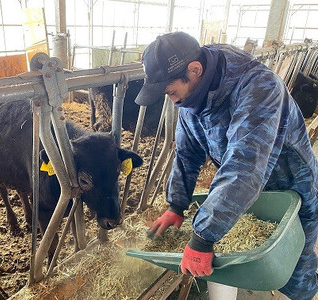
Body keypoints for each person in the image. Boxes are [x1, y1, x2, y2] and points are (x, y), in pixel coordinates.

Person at [135, 31, 318, 300]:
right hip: (241, 191)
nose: (172, 100)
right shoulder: (192, 96)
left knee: (293, 264)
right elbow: (186, 153)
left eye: (172, 91)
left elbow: (245, 164)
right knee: (242, 259)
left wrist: (202, 237)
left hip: (290, 184)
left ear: (194, 70)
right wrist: (176, 204)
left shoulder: (258, 88)